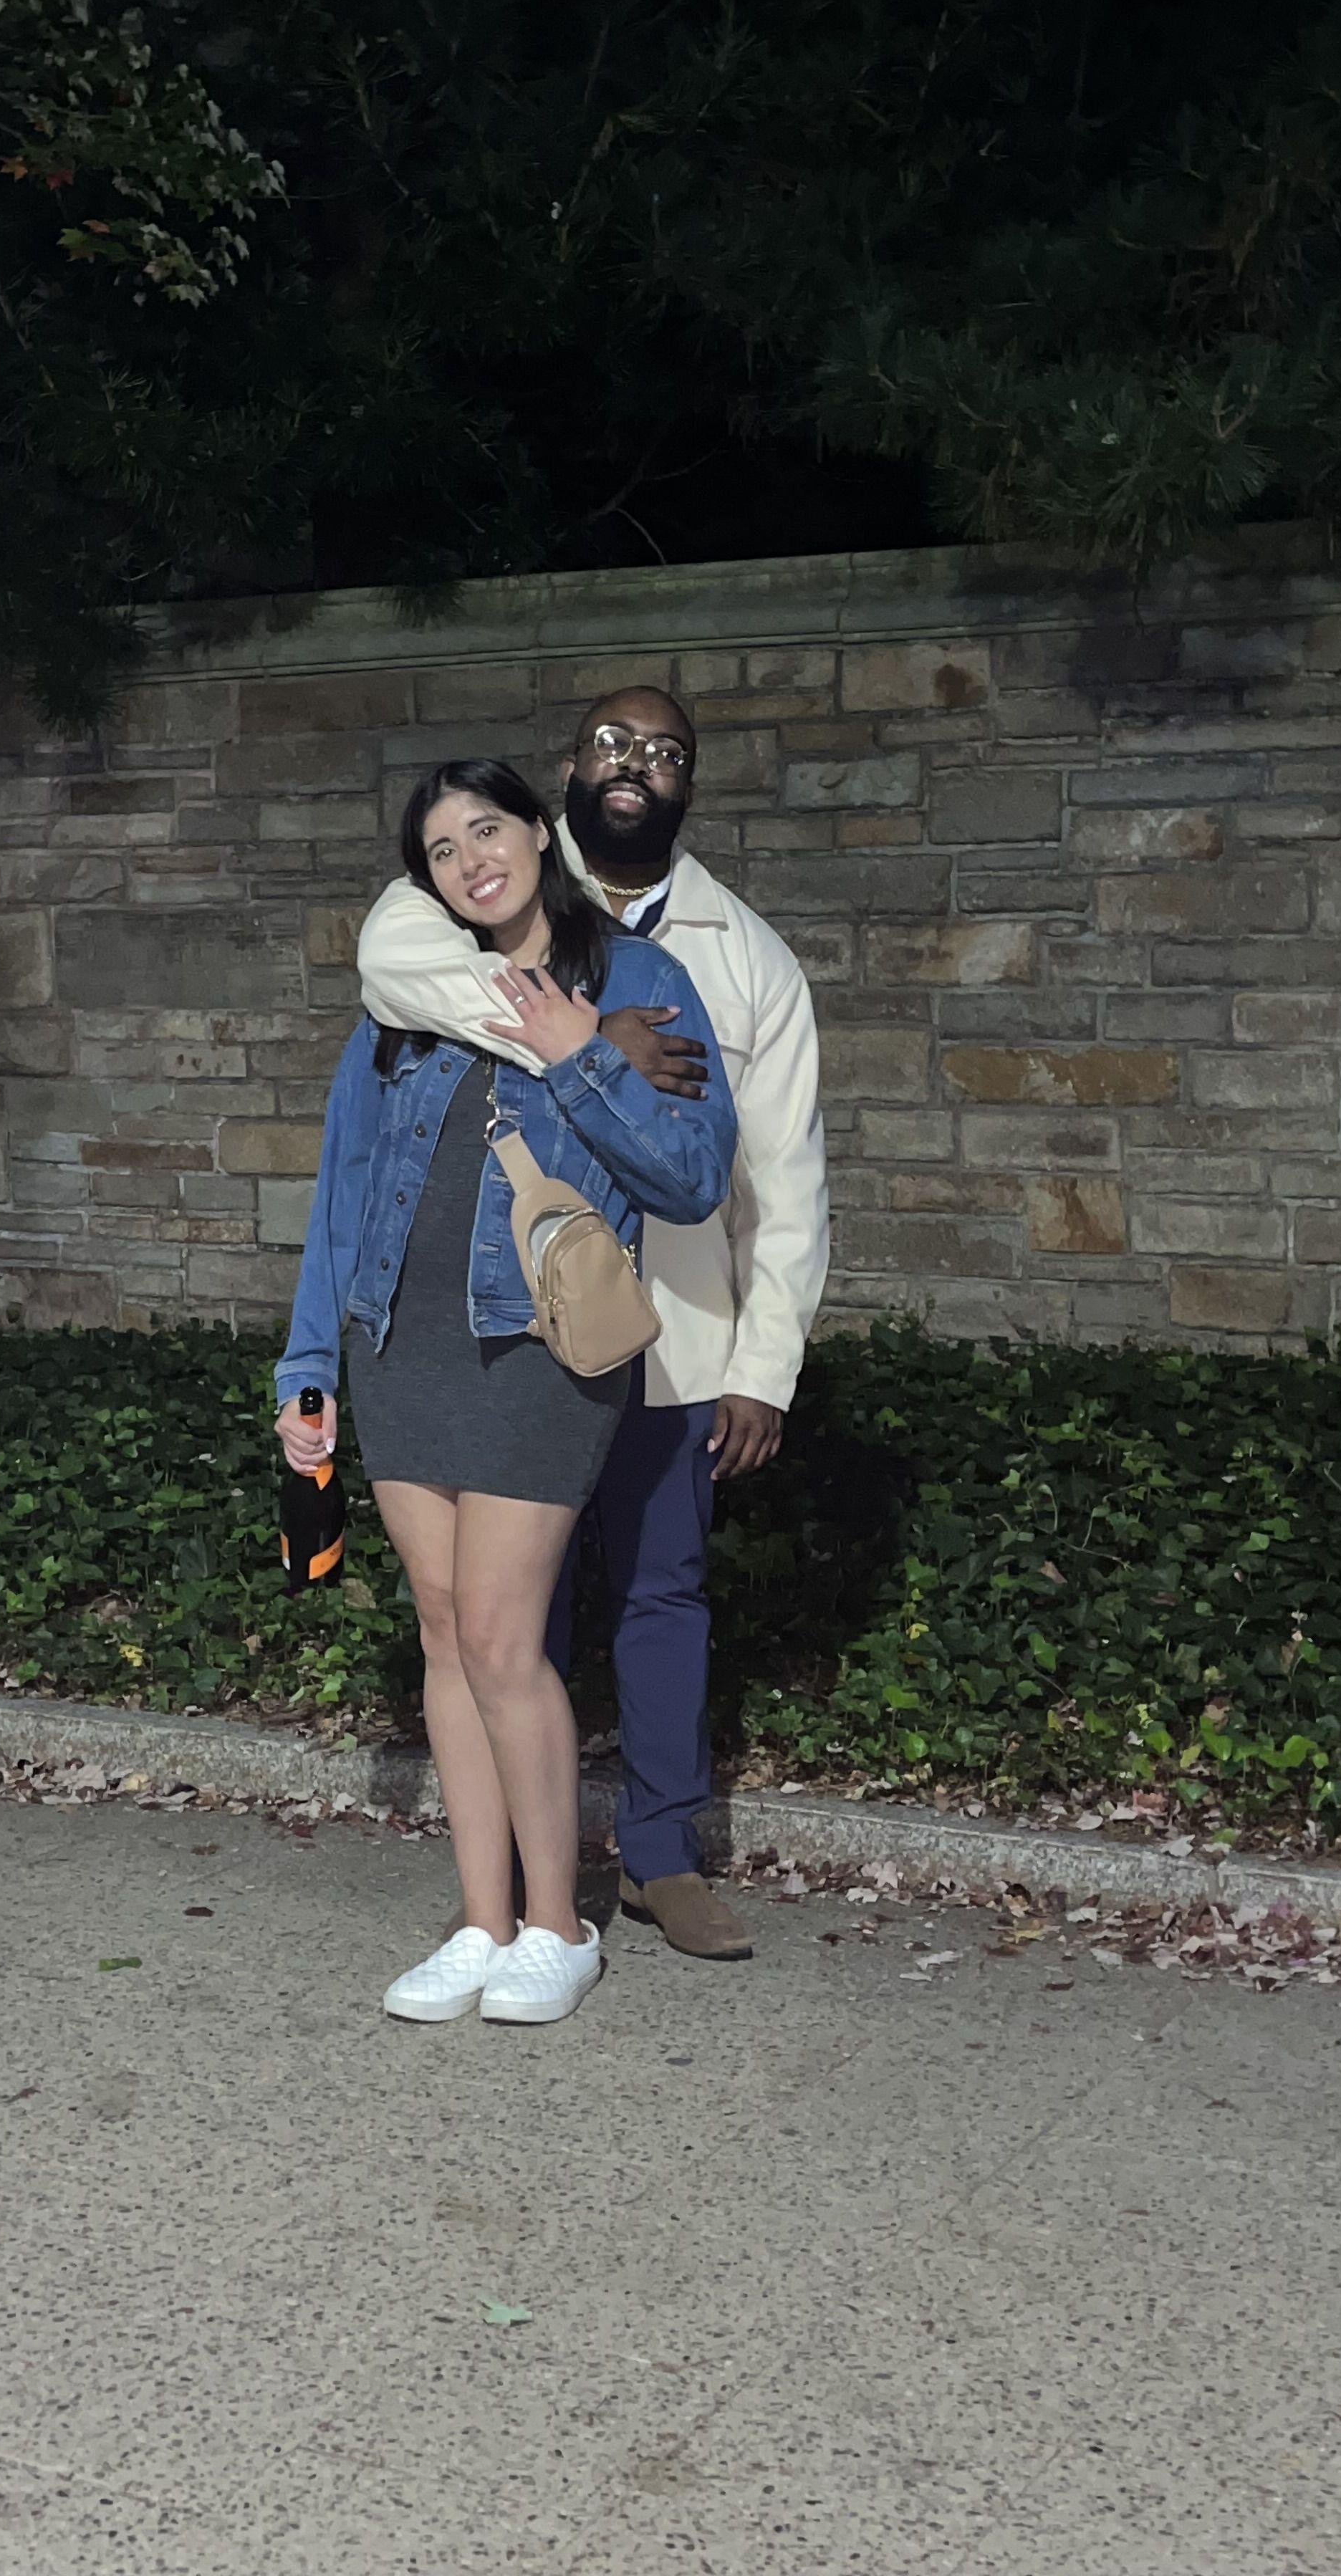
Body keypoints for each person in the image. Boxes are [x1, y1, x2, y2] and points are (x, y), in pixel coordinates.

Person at [353, 685, 830, 1964]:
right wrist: (570, 1033)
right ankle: (518, 1880)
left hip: (674, 1330)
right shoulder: (472, 893)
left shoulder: (745, 959)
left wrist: (766, 1365)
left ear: (690, 783)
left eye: (666, 753)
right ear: (567, 771)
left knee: (661, 1596)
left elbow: (782, 1180)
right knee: (513, 1616)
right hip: (516, 1337)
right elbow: (386, 982)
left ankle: (663, 1858)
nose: (637, 765)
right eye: (614, 745)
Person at [274, 757, 739, 2026]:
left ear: (541, 831)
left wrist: (582, 1055)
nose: (471, 861)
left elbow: (694, 1176)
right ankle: (483, 1922)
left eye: (488, 830)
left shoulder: (635, 983)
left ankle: (558, 1924)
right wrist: (308, 1366)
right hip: (398, 1342)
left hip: (539, 1348)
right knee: (442, 1631)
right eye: (441, 850)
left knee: (498, 1637)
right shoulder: (408, 1001)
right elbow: (342, 1188)